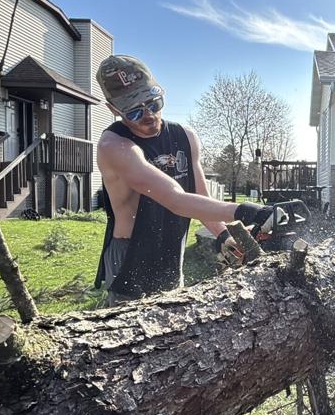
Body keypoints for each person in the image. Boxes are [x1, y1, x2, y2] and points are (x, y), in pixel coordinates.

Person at [92, 55, 283, 306]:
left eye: (154, 102)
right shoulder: (114, 146)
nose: (148, 115)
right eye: (134, 111)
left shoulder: (185, 137)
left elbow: (200, 198)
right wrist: (247, 210)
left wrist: (224, 236)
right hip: (131, 256)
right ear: (113, 109)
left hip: (171, 246)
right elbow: (175, 199)